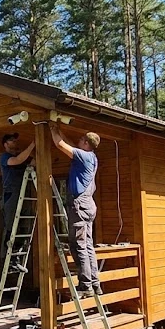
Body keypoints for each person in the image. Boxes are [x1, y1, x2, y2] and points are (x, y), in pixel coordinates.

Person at [50, 122, 101, 297]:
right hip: (88, 204)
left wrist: (51, 130)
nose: (79, 141)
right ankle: (94, 283)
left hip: (79, 205)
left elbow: (60, 145)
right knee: (87, 245)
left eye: (81, 139)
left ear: (86, 144)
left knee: (78, 245)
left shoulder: (84, 156)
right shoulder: (91, 156)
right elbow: (70, 143)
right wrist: (59, 130)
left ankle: (85, 285)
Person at [0, 132, 35, 273]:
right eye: (12, 141)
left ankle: (16, 259)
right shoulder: (5, 157)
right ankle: (7, 261)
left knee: (23, 228)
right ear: (5, 145)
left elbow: (34, 162)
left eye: (15, 140)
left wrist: (36, 151)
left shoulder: (21, 157)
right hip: (11, 195)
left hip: (23, 195)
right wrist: (32, 145)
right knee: (11, 227)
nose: (15, 143)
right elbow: (17, 161)